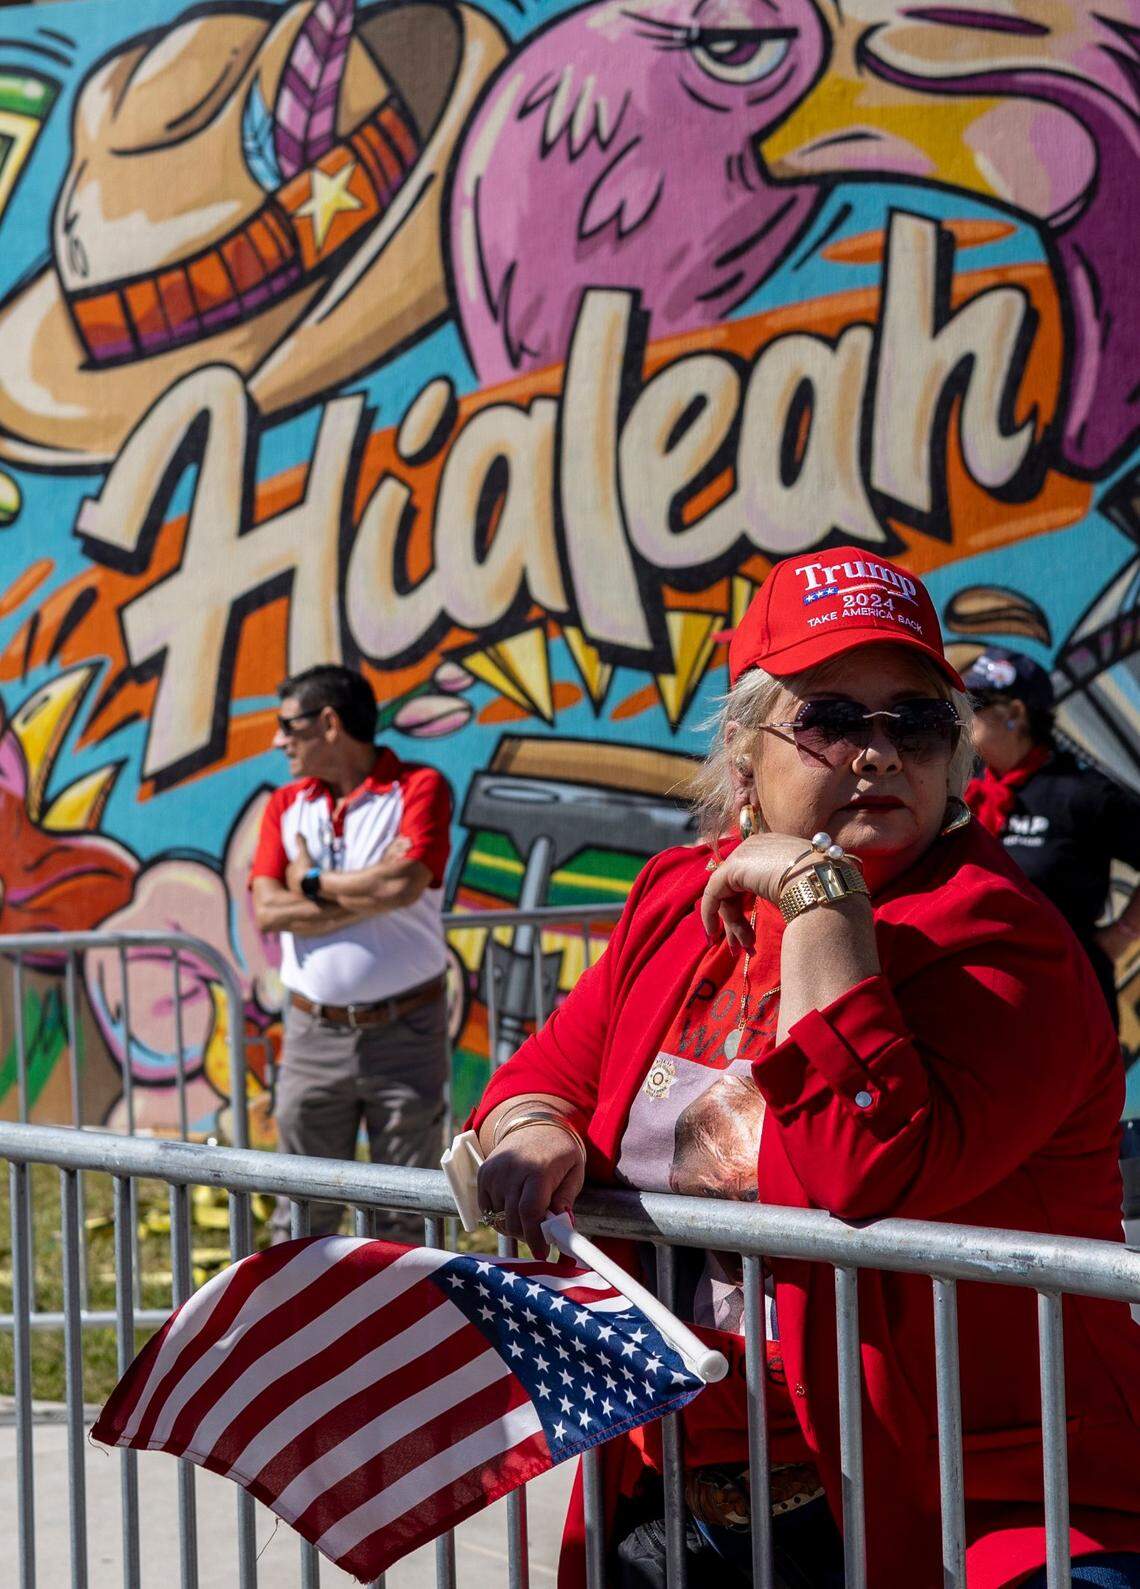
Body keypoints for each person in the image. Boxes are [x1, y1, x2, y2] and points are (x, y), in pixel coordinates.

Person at [469, 550, 1140, 1589]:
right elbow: (540, 1075)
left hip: (964, 1503)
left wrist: (819, 896)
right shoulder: (678, 900)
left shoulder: (1003, 939)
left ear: (958, 759)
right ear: (746, 756)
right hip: (680, 1496)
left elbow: (860, 1173)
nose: (877, 753)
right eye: (830, 717)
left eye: (915, 722)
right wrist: (534, 1130)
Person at [250, 664, 451, 1242]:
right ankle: (297, 1330)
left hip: (406, 1032)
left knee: (406, 1213)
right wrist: (367, 890)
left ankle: (412, 1333)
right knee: (303, 1210)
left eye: (288, 724)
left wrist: (309, 880)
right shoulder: (285, 804)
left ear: (329, 723)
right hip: (313, 1034)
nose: (278, 739)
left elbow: (403, 886)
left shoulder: (419, 787)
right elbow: (268, 909)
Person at [963, 645, 1140, 1028]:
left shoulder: (1080, 792)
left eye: (975, 703)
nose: (963, 714)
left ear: (1015, 713)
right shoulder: (970, 789)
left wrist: (1120, 937)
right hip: (987, 1005)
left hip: (1068, 1004)